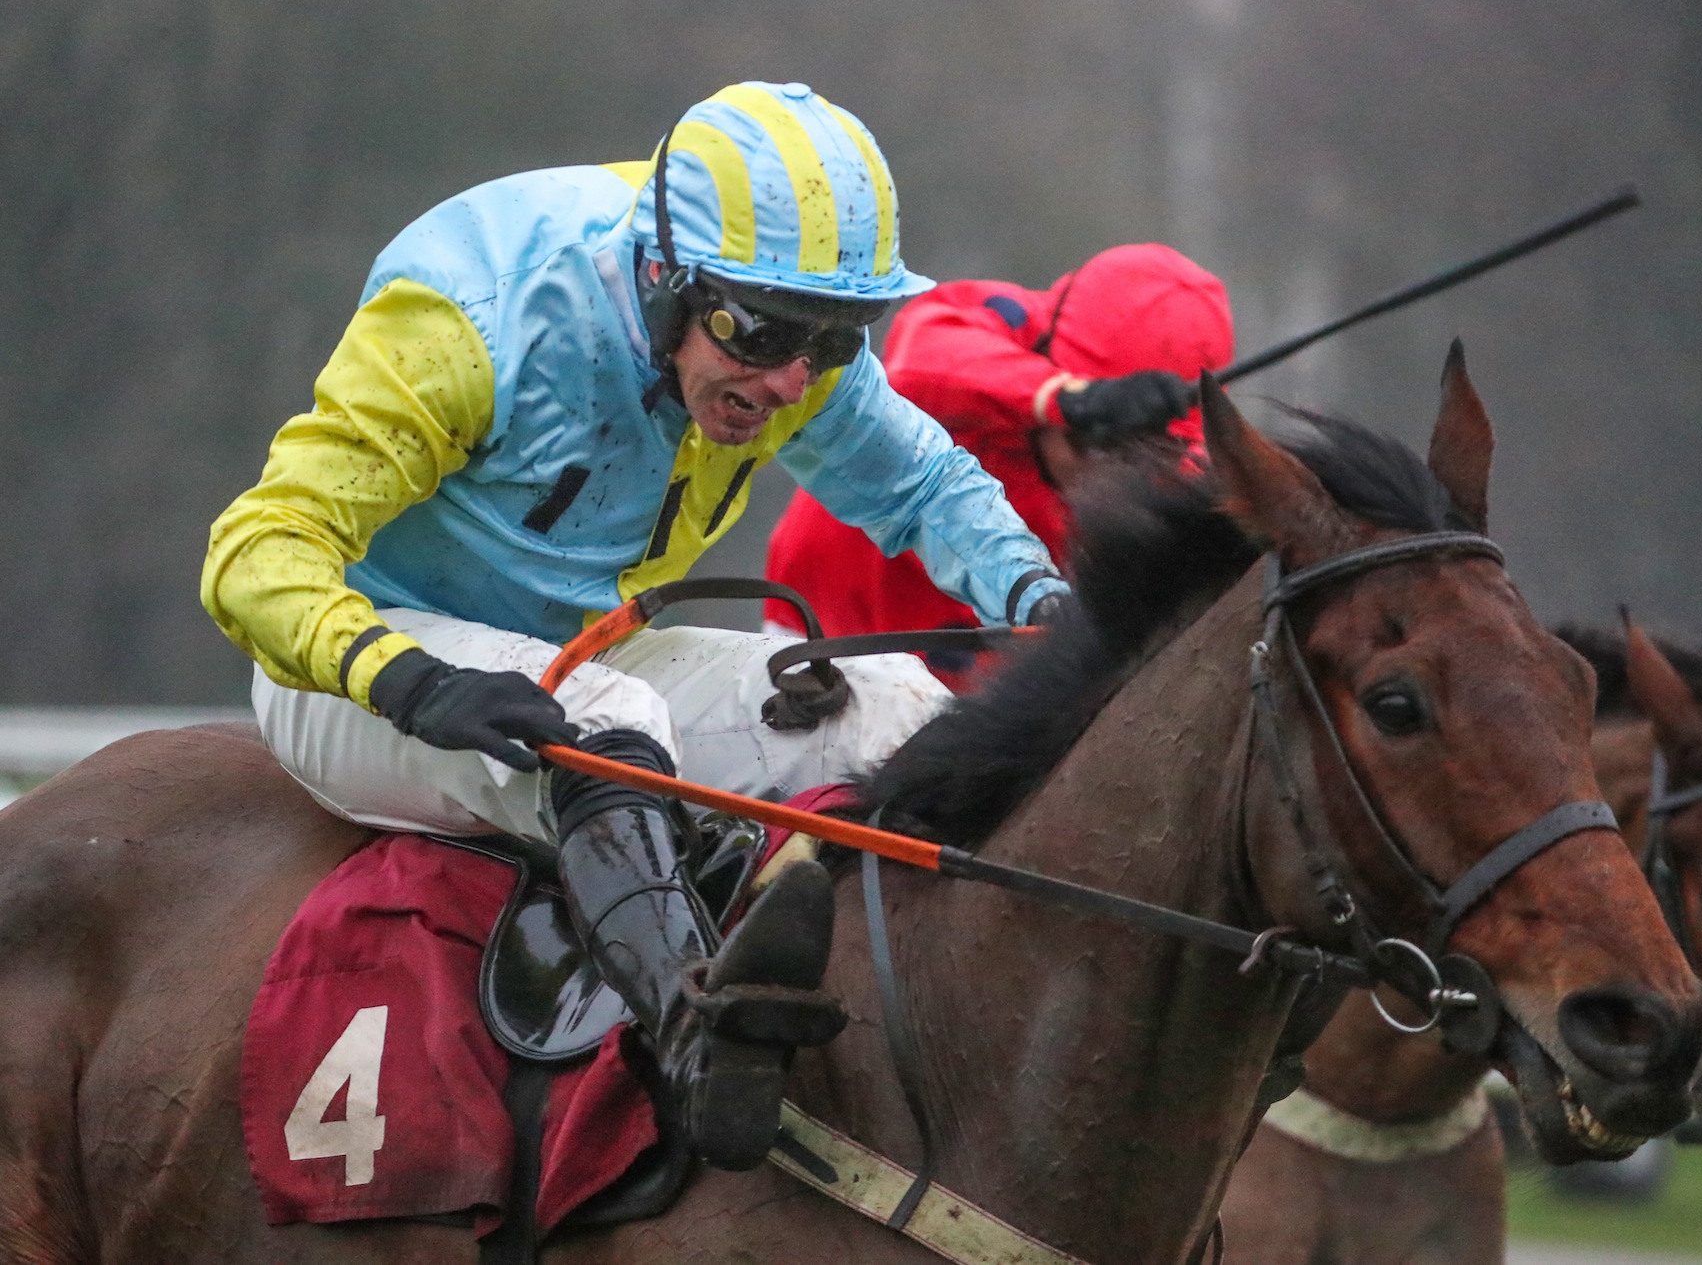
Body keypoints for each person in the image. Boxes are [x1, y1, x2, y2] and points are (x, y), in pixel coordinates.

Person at [201, 81, 1067, 1170]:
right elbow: (255, 549)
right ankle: (694, 1037)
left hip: (585, 652)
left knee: (894, 700)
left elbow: (928, 485)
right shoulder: (475, 319)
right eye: (758, 332)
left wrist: (1054, 610)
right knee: (607, 710)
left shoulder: (780, 330)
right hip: (364, 672)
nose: (791, 376)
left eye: (835, 338)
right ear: (664, 277)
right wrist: (406, 676)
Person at [763, 243, 1232, 689]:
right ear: (1046, 350)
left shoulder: (1184, 477)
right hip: (833, 604)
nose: (1111, 476)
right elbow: (917, 354)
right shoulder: (1000, 323)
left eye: (1148, 458)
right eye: (1102, 441)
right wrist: (1067, 398)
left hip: (988, 639)